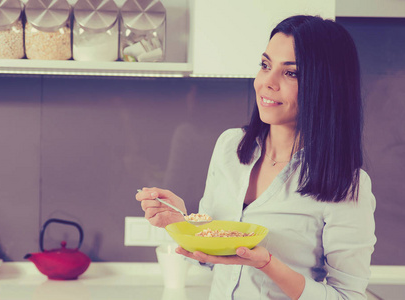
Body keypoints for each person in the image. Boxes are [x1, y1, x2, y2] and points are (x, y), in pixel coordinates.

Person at [136, 15, 376, 300]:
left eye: (291, 73)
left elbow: (349, 296)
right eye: (265, 65)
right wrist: (182, 224)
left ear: (326, 86)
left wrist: (268, 264)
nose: (267, 83)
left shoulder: (346, 185)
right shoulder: (230, 147)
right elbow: (209, 258)